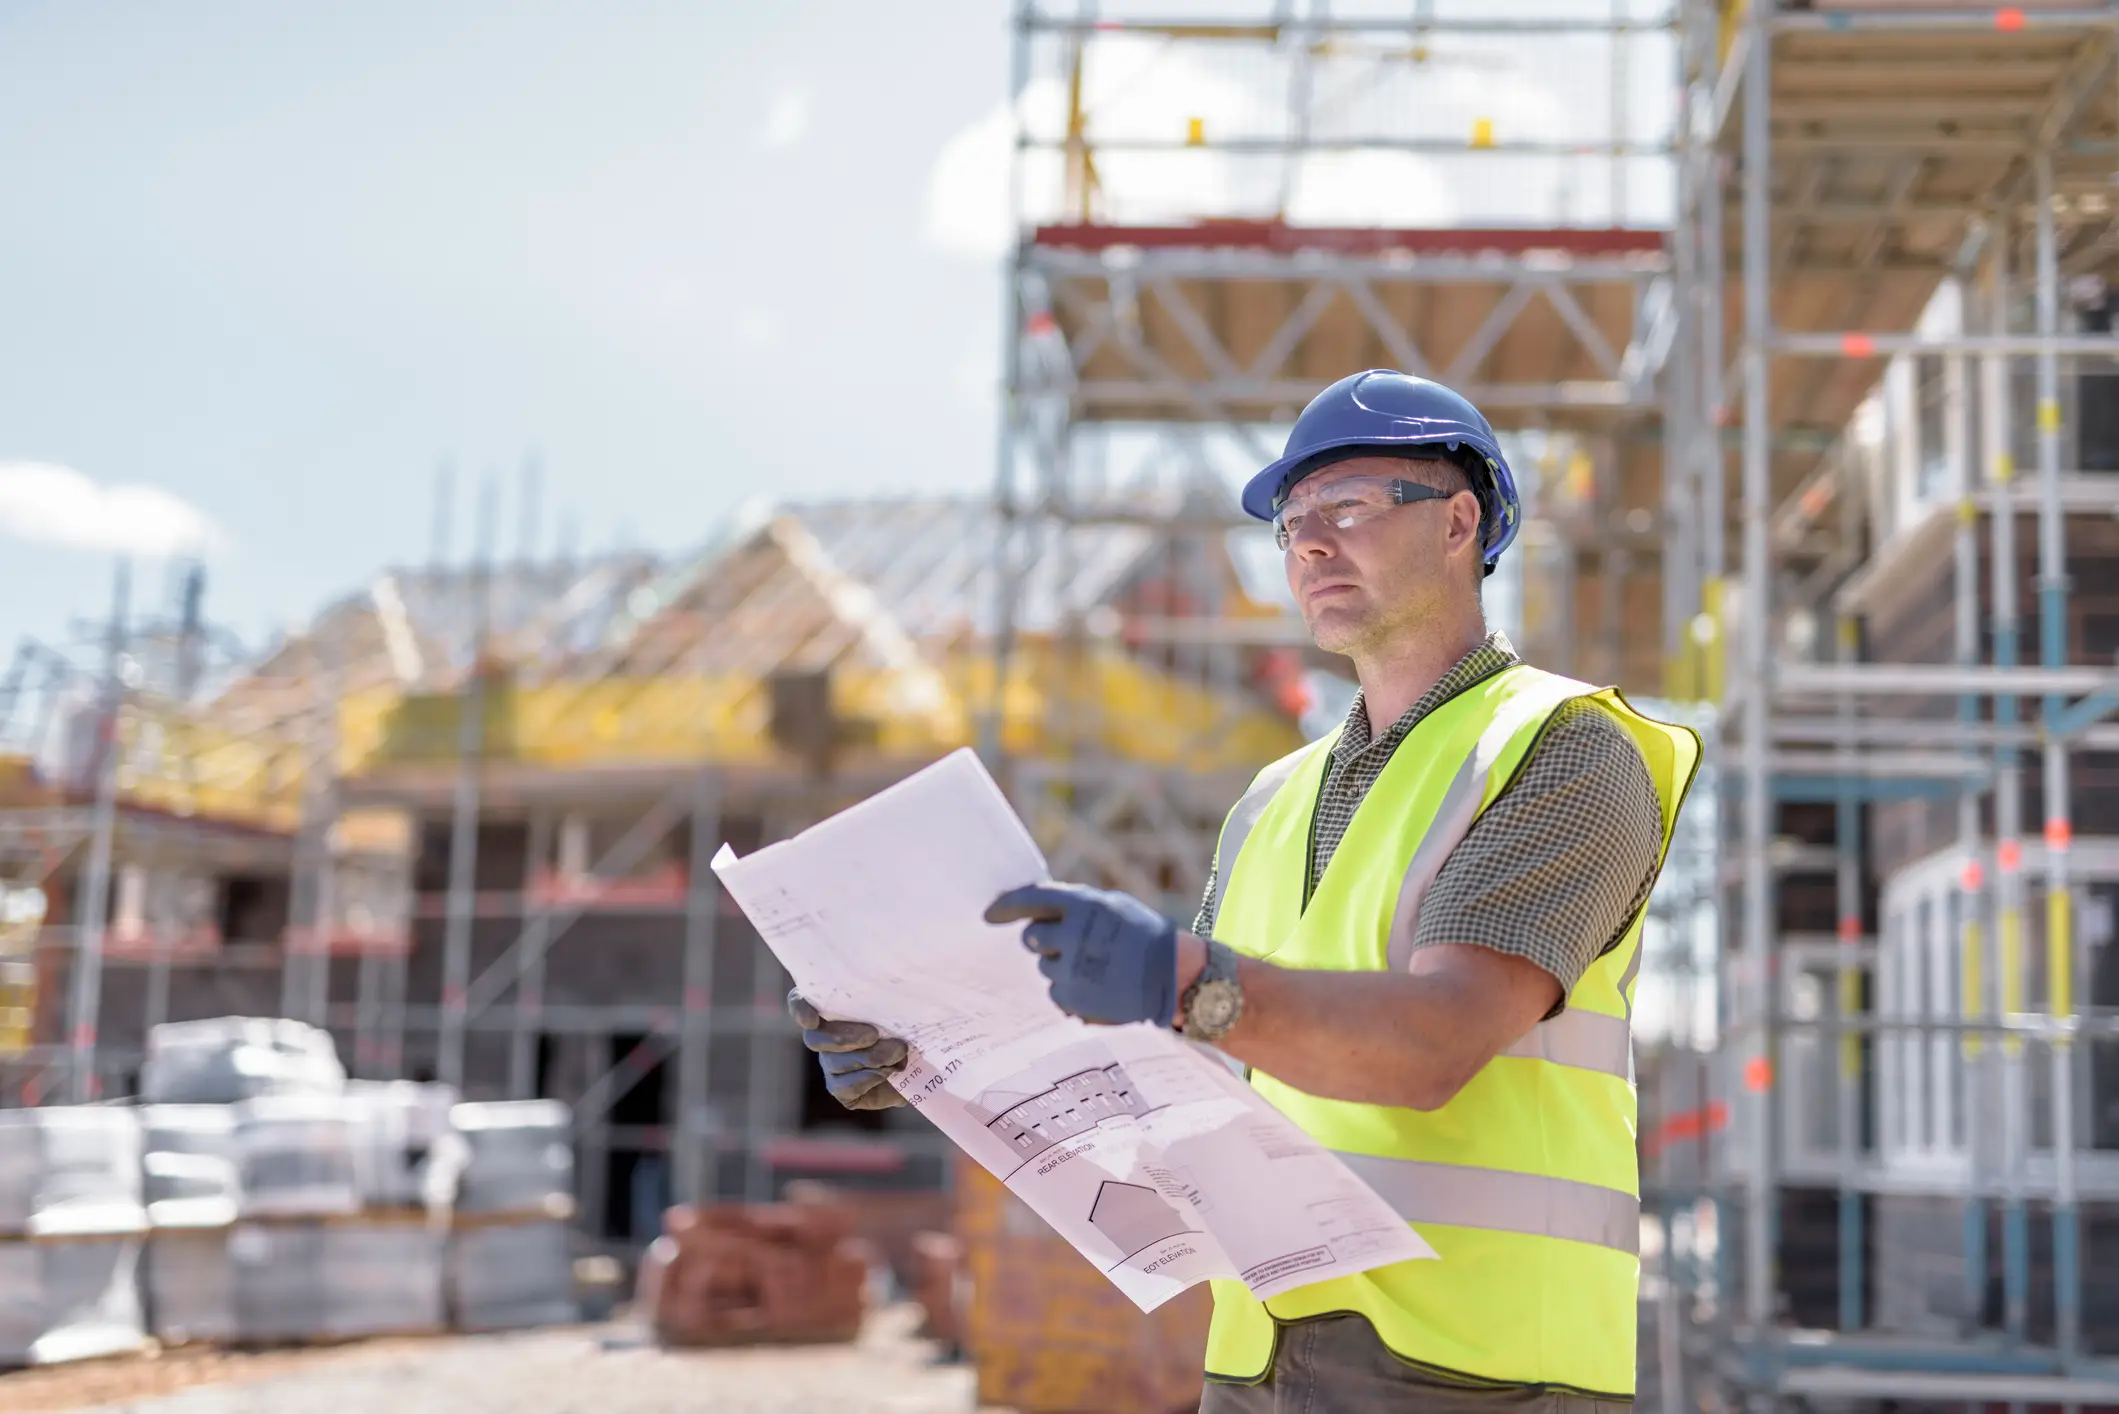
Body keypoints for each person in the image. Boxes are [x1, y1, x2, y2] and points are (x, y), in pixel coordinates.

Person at [788, 369, 1700, 1412]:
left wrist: (1179, 979)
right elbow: (1180, 1085)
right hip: (1257, 1355)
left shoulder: (1561, 745)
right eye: (1291, 522)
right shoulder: (1273, 799)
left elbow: (1435, 1043)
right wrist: (935, 1062)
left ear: (1459, 522)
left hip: (1482, 1368)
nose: (1308, 543)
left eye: (1347, 506)